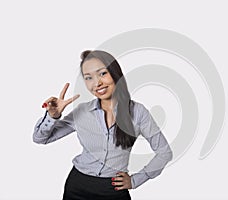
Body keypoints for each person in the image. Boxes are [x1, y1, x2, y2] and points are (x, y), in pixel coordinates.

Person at [33, 50, 173, 200]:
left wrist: (135, 180)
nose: (97, 83)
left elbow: (164, 152)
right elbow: (41, 139)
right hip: (78, 186)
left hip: (113, 189)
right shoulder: (82, 111)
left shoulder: (138, 112)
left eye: (102, 74)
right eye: (88, 78)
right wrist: (52, 116)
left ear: (115, 73)